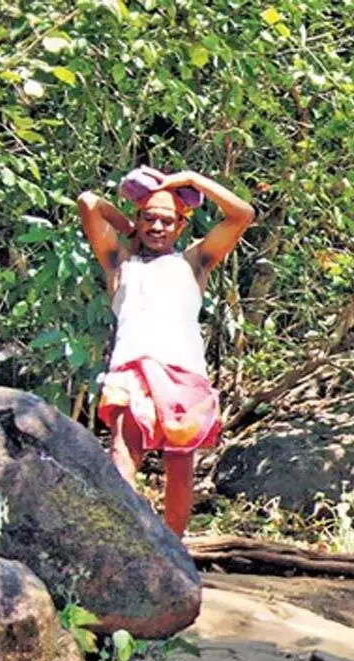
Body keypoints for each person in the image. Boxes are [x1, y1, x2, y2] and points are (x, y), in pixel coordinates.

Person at [78, 167, 254, 536]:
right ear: (139, 219)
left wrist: (191, 179)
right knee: (122, 458)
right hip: (131, 373)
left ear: (180, 226)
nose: (157, 228)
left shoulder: (194, 262)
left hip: (183, 376)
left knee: (180, 468)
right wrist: (129, 224)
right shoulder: (120, 263)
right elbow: (89, 202)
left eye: (167, 221)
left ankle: (174, 553)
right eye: (149, 219)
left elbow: (242, 215)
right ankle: (120, 542)